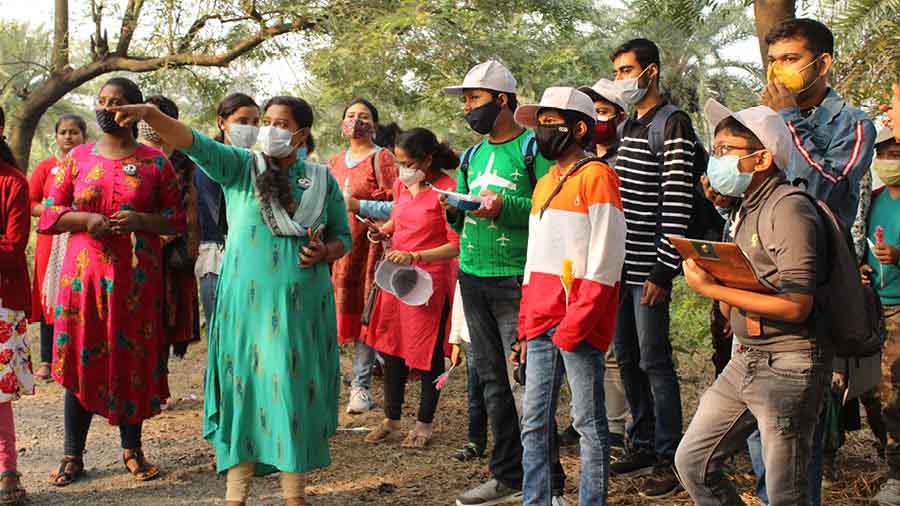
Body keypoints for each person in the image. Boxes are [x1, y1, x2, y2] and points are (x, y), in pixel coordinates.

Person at [113, 93, 351, 506]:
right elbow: (192, 142)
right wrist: (153, 117)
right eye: (267, 122)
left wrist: (326, 251)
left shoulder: (322, 180)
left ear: (301, 134)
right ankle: (234, 498)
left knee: (291, 391)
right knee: (244, 391)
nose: (270, 131)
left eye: (281, 124)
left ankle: (295, 498)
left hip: (301, 310)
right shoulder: (242, 168)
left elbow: (342, 237)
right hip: (247, 309)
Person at [675, 101, 829, 506]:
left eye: (728, 150)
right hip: (747, 357)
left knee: (784, 494)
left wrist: (713, 290)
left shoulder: (790, 208)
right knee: (693, 462)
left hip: (789, 362)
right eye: (717, 148)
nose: (717, 159)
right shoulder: (747, 208)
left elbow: (797, 305)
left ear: (761, 158)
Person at [751, 18, 877, 506]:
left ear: (821, 63)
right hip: (757, 277)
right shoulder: (764, 116)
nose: (778, 71)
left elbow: (826, 187)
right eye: (773, 61)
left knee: (795, 425)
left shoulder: (855, 124)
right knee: (756, 418)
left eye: (789, 59)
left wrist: (786, 123)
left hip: (811, 285)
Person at [40, 77, 185, 486]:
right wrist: (87, 219)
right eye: (101, 101)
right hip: (83, 282)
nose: (106, 108)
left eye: (116, 102)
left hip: (136, 282)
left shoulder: (157, 163)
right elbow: (50, 215)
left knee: (132, 357)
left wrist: (140, 221)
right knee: (81, 358)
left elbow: (176, 219)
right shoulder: (77, 158)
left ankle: (132, 450)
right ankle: (73, 455)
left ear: (135, 110)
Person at [440, 60, 565, 506]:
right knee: (492, 381)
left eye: (474, 99)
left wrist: (504, 207)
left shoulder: (535, 149)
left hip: (518, 278)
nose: (468, 109)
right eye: (466, 101)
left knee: (527, 385)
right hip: (473, 275)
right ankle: (508, 476)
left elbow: (550, 206)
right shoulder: (472, 156)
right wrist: (453, 207)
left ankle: (547, 484)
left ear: (503, 101)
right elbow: (458, 219)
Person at [512, 87, 626, 506]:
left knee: (587, 422)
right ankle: (536, 499)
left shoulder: (598, 177)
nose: (543, 131)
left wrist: (576, 323)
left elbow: (606, 259)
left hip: (577, 321)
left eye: (551, 122)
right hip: (541, 319)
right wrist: (525, 327)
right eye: (539, 123)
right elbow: (534, 260)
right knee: (534, 421)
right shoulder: (544, 183)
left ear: (579, 128)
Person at [607, 38, 694, 498]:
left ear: (651, 72)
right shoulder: (626, 127)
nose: (622, 80)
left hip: (648, 268)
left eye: (627, 70)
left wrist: (664, 270)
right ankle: (640, 441)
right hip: (619, 267)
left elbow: (677, 201)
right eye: (618, 72)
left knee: (655, 360)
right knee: (627, 358)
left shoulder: (672, 123)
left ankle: (669, 455)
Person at [362, 127, 460, 448]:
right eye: (398, 161)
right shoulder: (403, 185)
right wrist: (381, 230)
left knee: (428, 353)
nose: (402, 169)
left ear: (428, 159)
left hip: (428, 283)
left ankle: (424, 423)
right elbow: (398, 220)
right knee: (391, 347)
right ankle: (391, 419)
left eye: (407, 162)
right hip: (397, 278)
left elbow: (454, 245)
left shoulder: (447, 190)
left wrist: (415, 255)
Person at [559, 79, 629, 451]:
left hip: (611, 266)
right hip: (575, 268)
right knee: (581, 346)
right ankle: (581, 418)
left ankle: (614, 427)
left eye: (604, 110)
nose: (599, 117)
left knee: (614, 350)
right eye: (593, 110)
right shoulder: (577, 164)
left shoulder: (622, 158)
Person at [328, 98, 397, 415]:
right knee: (341, 314)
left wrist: (360, 206)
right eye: (351, 115)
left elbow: (399, 205)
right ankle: (334, 382)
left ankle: (362, 387)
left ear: (375, 124)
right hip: (340, 251)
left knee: (366, 315)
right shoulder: (334, 162)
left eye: (364, 116)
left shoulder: (382, 159)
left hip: (371, 248)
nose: (356, 121)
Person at [139, 95, 201, 360]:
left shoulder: (187, 162)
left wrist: (175, 230)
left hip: (176, 249)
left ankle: (159, 377)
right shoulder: (130, 155)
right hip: (139, 246)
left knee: (168, 313)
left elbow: (193, 205)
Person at [28, 114, 86, 383]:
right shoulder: (45, 168)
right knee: (49, 296)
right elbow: (30, 204)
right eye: (63, 132)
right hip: (50, 243)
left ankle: (76, 357)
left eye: (74, 132)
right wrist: (55, 213)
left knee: (76, 295)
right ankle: (46, 360)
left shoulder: (90, 164)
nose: (68, 136)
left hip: (80, 240)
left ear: (83, 136)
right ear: (56, 136)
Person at [194, 93, 260, 326]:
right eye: (242, 121)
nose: (250, 128)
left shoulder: (258, 163)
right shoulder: (210, 164)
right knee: (221, 329)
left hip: (254, 258)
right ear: (222, 122)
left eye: (255, 122)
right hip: (219, 257)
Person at [860, 128, 900, 504]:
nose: (889, 160)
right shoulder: (871, 201)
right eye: (883, 153)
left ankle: (896, 473)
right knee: (871, 390)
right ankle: (884, 450)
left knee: (894, 393)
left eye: (897, 151)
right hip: (873, 306)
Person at [0, 107, 35, 505]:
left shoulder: (13, 183)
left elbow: (12, 251)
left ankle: (8, 469)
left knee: (0, 395)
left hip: (2, 299)